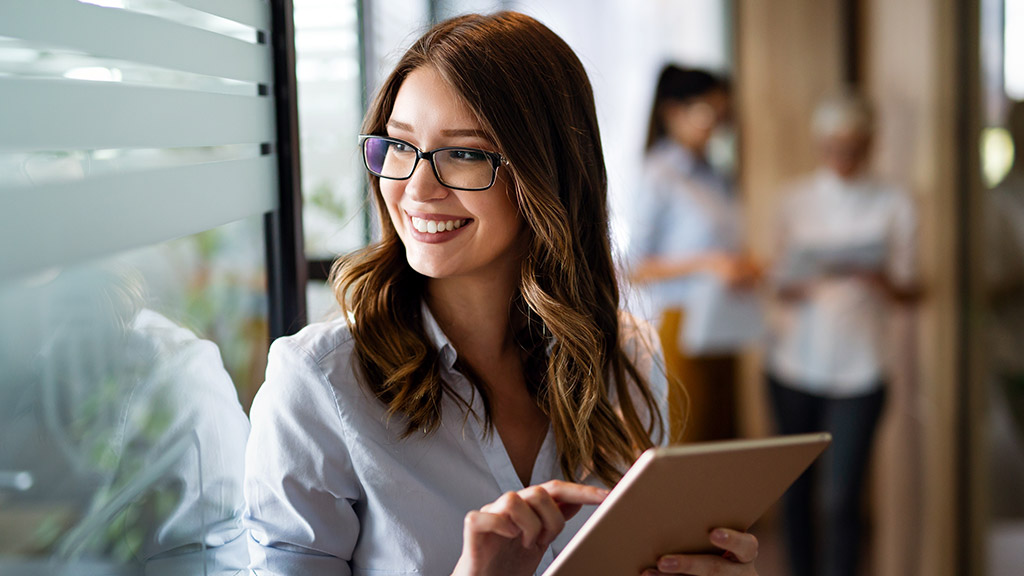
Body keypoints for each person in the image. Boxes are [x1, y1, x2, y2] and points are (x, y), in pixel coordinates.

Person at [243, 11, 759, 576]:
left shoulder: (626, 357)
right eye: (398, 145)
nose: (416, 188)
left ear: (547, 175)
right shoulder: (319, 385)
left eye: (464, 153)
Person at [765, 92, 919, 576]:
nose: (843, 155)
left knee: (841, 498)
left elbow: (913, 288)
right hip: (794, 363)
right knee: (796, 495)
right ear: (820, 145)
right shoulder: (793, 201)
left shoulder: (895, 202)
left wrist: (881, 279)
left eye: (854, 145)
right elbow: (773, 281)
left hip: (863, 367)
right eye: (834, 144)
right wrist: (797, 278)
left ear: (870, 144)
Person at [627, 65, 760, 442]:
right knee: (687, 440)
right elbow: (635, 266)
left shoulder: (714, 175)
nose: (715, 125)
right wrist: (709, 263)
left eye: (722, 114)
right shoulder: (660, 174)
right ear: (672, 112)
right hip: (680, 322)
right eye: (706, 112)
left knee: (722, 439)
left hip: (724, 319)